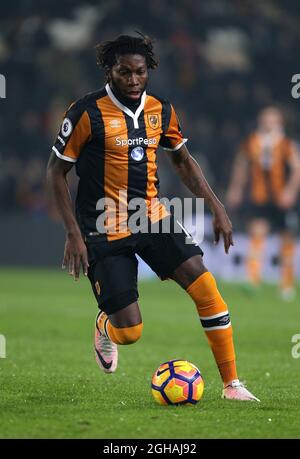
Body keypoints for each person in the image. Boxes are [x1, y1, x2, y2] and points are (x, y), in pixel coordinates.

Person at [47, 33, 259, 401]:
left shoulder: (161, 109)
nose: (132, 80)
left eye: (140, 72)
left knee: (205, 285)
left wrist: (216, 205)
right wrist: (72, 233)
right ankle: (105, 322)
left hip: (151, 215)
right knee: (130, 332)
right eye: (124, 72)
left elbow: (183, 161)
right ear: (109, 71)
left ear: (150, 71)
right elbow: (55, 172)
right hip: (103, 224)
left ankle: (232, 385)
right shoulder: (85, 112)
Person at [227, 106, 300, 300]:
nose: (268, 122)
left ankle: (286, 283)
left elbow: (296, 169)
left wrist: (290, 192)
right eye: (266, 118)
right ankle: (253, 278)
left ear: (279, 122)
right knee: (257, 234)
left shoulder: (286, 143)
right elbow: (241, 165)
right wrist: (236, 188)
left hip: (280, 198)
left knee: (286, 239)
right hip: (258, 197)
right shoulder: (252, 141)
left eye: (272, 118)